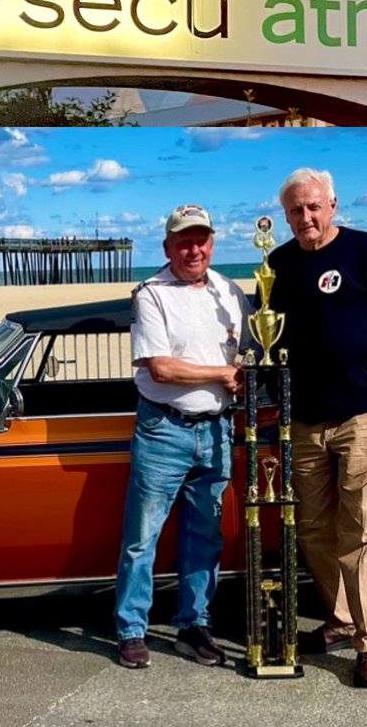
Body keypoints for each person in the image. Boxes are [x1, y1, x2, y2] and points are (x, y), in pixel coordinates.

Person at [268, 168, 367, 689]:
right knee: (315, 530)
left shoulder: (366, 250)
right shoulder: (278, 265)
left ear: (332, 205)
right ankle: (340, 621)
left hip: (362, 417)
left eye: (314, 206)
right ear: (286, 215)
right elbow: (267, 342)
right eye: (296, 210)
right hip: (303, 422)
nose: (306, 217)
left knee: (365, 533)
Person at [114, 203, 251, 670]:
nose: (194, 249)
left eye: (201, 240)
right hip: (163, 429)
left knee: (205, 535)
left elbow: (251, 354)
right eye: (184, 241)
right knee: (142, 536)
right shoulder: (152, 294)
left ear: (212, 243)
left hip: (217, 428)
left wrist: (244, 375)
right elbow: (161, 367)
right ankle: (132, 629)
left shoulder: (230, 292)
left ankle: (195, 625)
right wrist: (223, 373)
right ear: (168, 246)